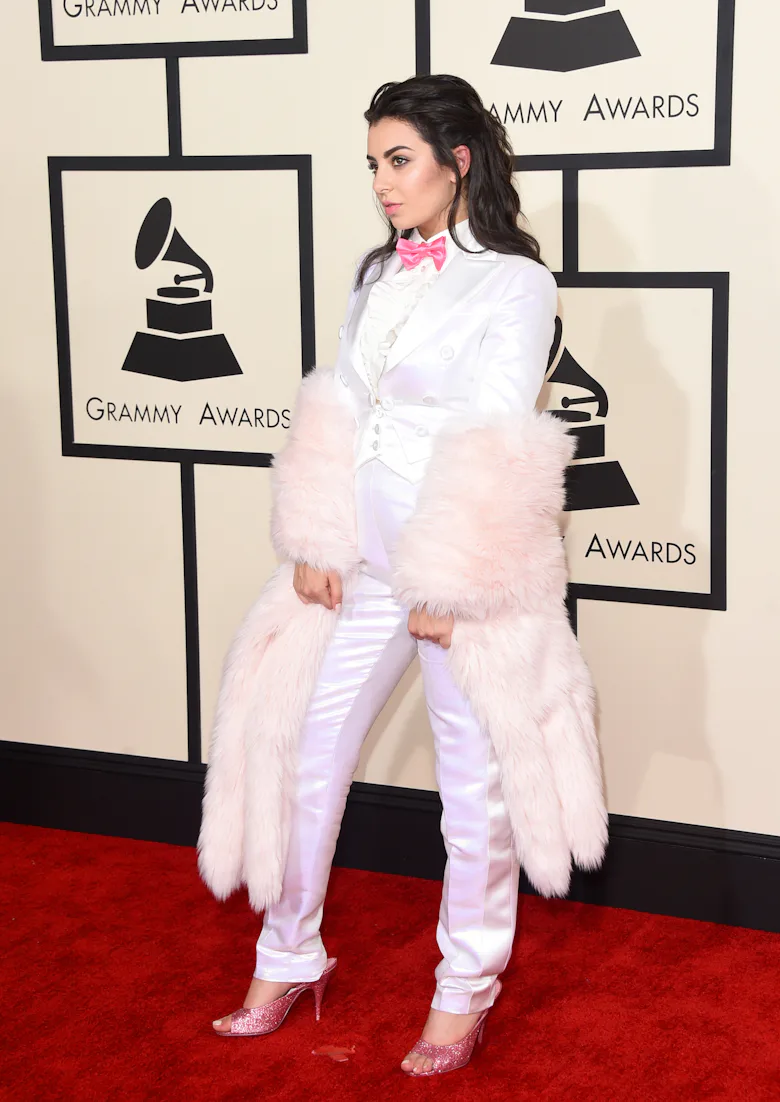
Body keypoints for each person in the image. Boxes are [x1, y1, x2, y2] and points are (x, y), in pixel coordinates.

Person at [199, 74, 608, 1077]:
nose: (383, 183)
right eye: (373, 164)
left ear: (456, 163)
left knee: (471, 793)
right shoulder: (378, 271)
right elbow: (340, 405)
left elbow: (499, 431)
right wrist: (316, 534)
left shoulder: (515, 284)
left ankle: (464, 988)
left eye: (399, 161)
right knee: (304, 749)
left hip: (456, 574)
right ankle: (287, 954)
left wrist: (452, 579)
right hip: (364, 562)